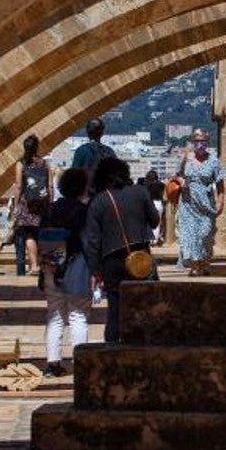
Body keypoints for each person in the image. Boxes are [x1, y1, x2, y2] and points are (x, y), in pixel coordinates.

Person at [82, 157, 159, 343]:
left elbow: (92, 241)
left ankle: (112, 351)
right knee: (143, 307)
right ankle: (142, 348)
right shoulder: (141, 193)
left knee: (115, 311)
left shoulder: (99, 201)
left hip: (112, 262)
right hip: (140, 259)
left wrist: (95, 271)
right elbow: (155, 220)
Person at [39, 168, 92, 378]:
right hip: (77, 267)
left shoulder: (50, 210)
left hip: (51, 267)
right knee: (78, 316)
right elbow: (89, 241)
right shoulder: (83, 211)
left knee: (55, 315)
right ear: (82, 187)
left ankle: (53, 364)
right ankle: (80, 364)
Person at [173, 129, 223, 276]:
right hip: (187, 204)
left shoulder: (213, 161)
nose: (200, 144)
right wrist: (181, 180)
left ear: (207, 142)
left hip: (206, 205)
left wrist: (220, 202)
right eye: (197, 141)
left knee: (204, 235)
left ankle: (204, 262)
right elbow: (177, 174)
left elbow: (220, 184)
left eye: (203, 141)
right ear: (193, 142)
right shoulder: (186, 158)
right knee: (190, 236)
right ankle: (196, 266)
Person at [11, 134, 53, 276]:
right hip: (41, 204)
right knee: (37, 234)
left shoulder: (21, 163)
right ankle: (40, 264)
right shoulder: (44, 163)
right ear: (37, 147)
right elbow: (50, 186)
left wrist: (15, 206)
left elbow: (18, 186)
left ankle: (33, 266)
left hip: (26, 204)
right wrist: (50, 203)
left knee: (28, 235)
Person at [143, 170, 166, 247]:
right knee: (157, 223)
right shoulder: (161, 185)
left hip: (149, 204)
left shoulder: (146, 185)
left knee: (149, 223)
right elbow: (163, 196)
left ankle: (150, 240)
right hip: (159, 204)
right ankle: (155, 240)